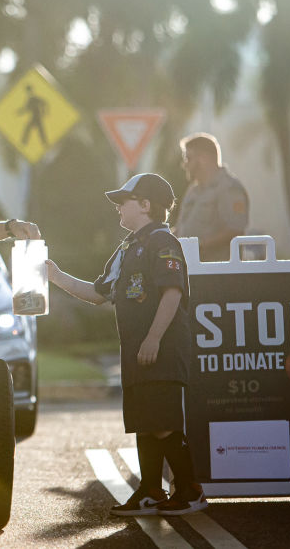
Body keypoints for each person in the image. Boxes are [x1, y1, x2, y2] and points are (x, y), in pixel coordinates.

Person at [45, 173, 206, 516]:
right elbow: (98, 293)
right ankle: (150, 492)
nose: (119, 207)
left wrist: (153, 338)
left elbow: (172, 292)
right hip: (137, 352)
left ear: (146, 205)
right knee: (145, 422)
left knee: (162, 421)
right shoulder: (127, 248)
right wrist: (56, 276)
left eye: (125, 201)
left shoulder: (163, 242)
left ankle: (190, 491)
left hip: (160, 349)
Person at [173, 133, 249, 261]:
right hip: (192, 268)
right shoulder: (193, 190)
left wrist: (200, 246)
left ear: (203, 158)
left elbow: (235, 230)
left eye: (188, 158)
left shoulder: (229, 188)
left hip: (217, 272)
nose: (184, 164)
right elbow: (181, 229)